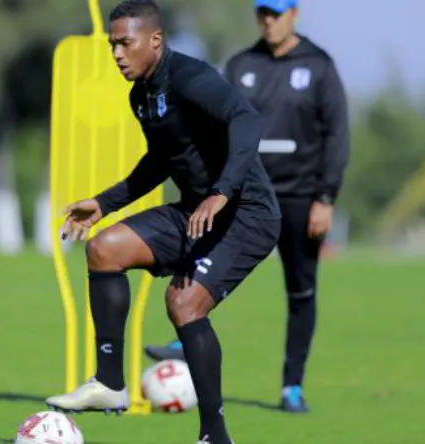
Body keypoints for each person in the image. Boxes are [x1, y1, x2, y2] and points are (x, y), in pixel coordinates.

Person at [44, 0, 281, 442]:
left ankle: (215, 435)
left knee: (183, 303)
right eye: (112, 44)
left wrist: (222, 191)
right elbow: (162, 160)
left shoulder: (191, 78)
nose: (116, 53)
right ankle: (110, 385)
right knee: (103, 247)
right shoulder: (142, 96)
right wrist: (104, 202)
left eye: (124, 43)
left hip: (247, 213)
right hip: (197, 211)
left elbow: (246, 119)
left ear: (154, 40)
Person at [143, 0, 351, 414]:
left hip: (298, 197)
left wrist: (325, 198)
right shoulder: (241, 64)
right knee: (201, 258)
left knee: (300, 289)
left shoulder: (319, 66)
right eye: (262, 14)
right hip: (243, 192)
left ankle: (292, 386)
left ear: (295, 14)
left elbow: (337, 136)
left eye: (276, 14)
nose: (268, 21)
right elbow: (212, 120)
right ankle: (184, 336)